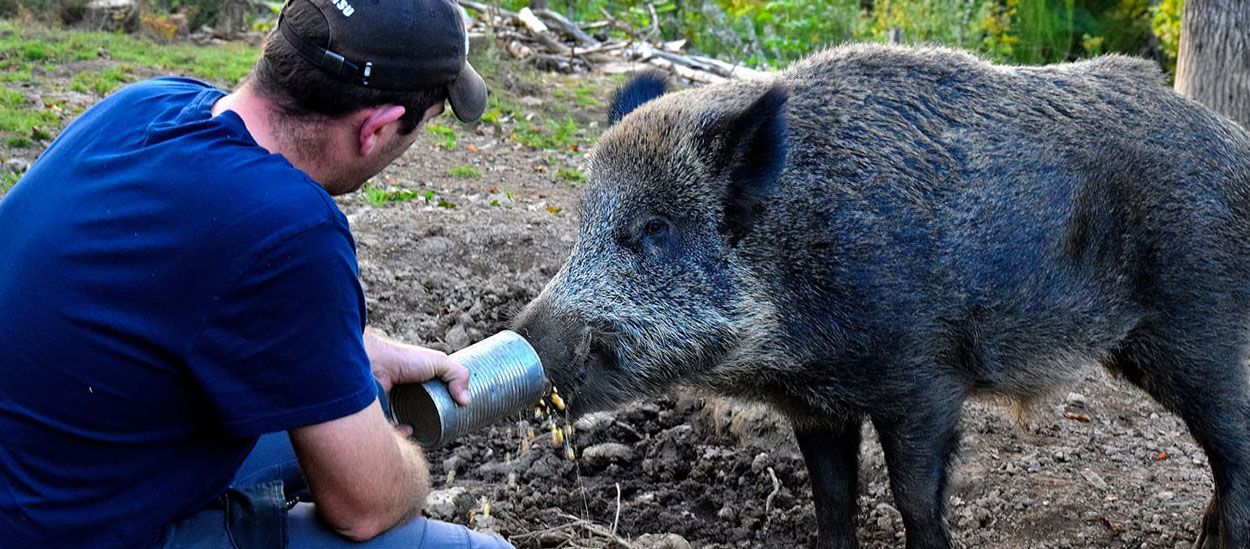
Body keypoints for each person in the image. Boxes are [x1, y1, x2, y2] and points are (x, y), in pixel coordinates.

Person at [0, 0, 511, 546]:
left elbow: (172, 292)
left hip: (35, 468)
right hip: (55, 533)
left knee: (351, 404)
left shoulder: (144, 105)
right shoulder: (290, 228)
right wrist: (401, 459)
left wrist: (352, 350)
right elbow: (365, 507)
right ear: (378, 128)